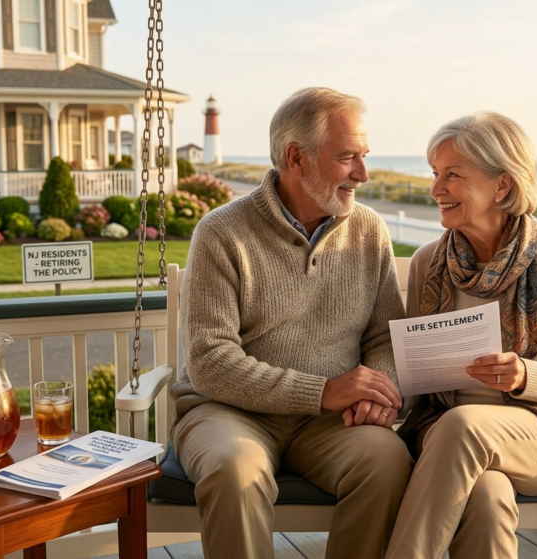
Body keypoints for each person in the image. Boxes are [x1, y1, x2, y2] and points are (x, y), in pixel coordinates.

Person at [169, 87, 412, 559]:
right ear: (295, 157)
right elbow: (209, 361)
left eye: (363, 156)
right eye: (347, 158)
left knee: (387, 461)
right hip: (226, 411)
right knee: (234, 471)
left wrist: (380, 390)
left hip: (328, 422)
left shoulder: (368, 230)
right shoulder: (221, 231)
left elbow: (384, 336)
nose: (362, 174)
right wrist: (323, 390)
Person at [385, 112, 537, 559]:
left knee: (462, 427)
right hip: (447, 437)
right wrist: (386, 394)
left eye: (452, 175)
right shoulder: (427, 263)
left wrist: (523, 376)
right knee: (488, 498)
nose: (436, 189)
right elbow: (415, 374)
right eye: (435, 174)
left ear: (503, 186)